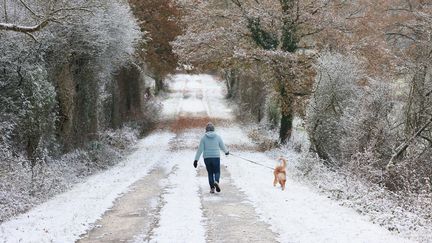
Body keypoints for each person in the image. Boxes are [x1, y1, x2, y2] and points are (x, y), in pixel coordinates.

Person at [194, 122, 229, 193]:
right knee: (217, 171)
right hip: (216, 157)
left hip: (207, 158)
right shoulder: (217, 137)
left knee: (210, 173)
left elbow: (200, 150)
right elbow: (222, 146)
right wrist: (226, 151)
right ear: (213, 129)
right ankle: (216, 181)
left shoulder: (203, 138)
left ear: (206, 130)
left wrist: (196, 160)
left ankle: (212, 188)